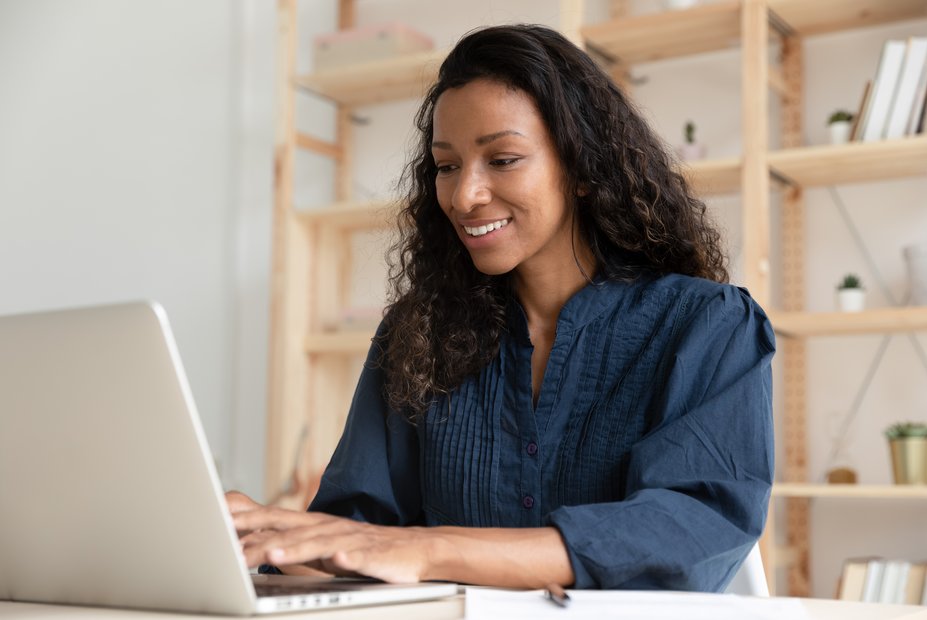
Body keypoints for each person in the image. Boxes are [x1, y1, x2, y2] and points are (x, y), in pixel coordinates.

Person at [229, 23, 774, 591]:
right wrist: (266, 534)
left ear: (583, 169)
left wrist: (429, 549)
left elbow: (690, 529)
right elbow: (360, 532)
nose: (464, 196)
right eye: (446, 166)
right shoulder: (418, 334)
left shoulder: (708, 325)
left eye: (504, 159)